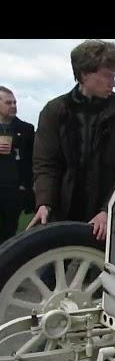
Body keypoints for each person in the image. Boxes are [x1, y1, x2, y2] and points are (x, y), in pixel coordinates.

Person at [28, 39, 115, 241]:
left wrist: (109, 210)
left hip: (107, 220)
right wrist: (44, 203)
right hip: (61, 213)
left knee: (99, 271)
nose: (114, 83)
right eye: (108, 76)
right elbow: (46, 164)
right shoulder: (53, 111)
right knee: (48, 269)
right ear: (84, 74)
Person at [0, 86, 35, 244]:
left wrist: (25, 186)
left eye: (15, 102)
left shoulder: (26, 129)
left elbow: (33, 159)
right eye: (8, 103)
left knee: (9, 233)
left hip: (14, 191)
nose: (13, 106)